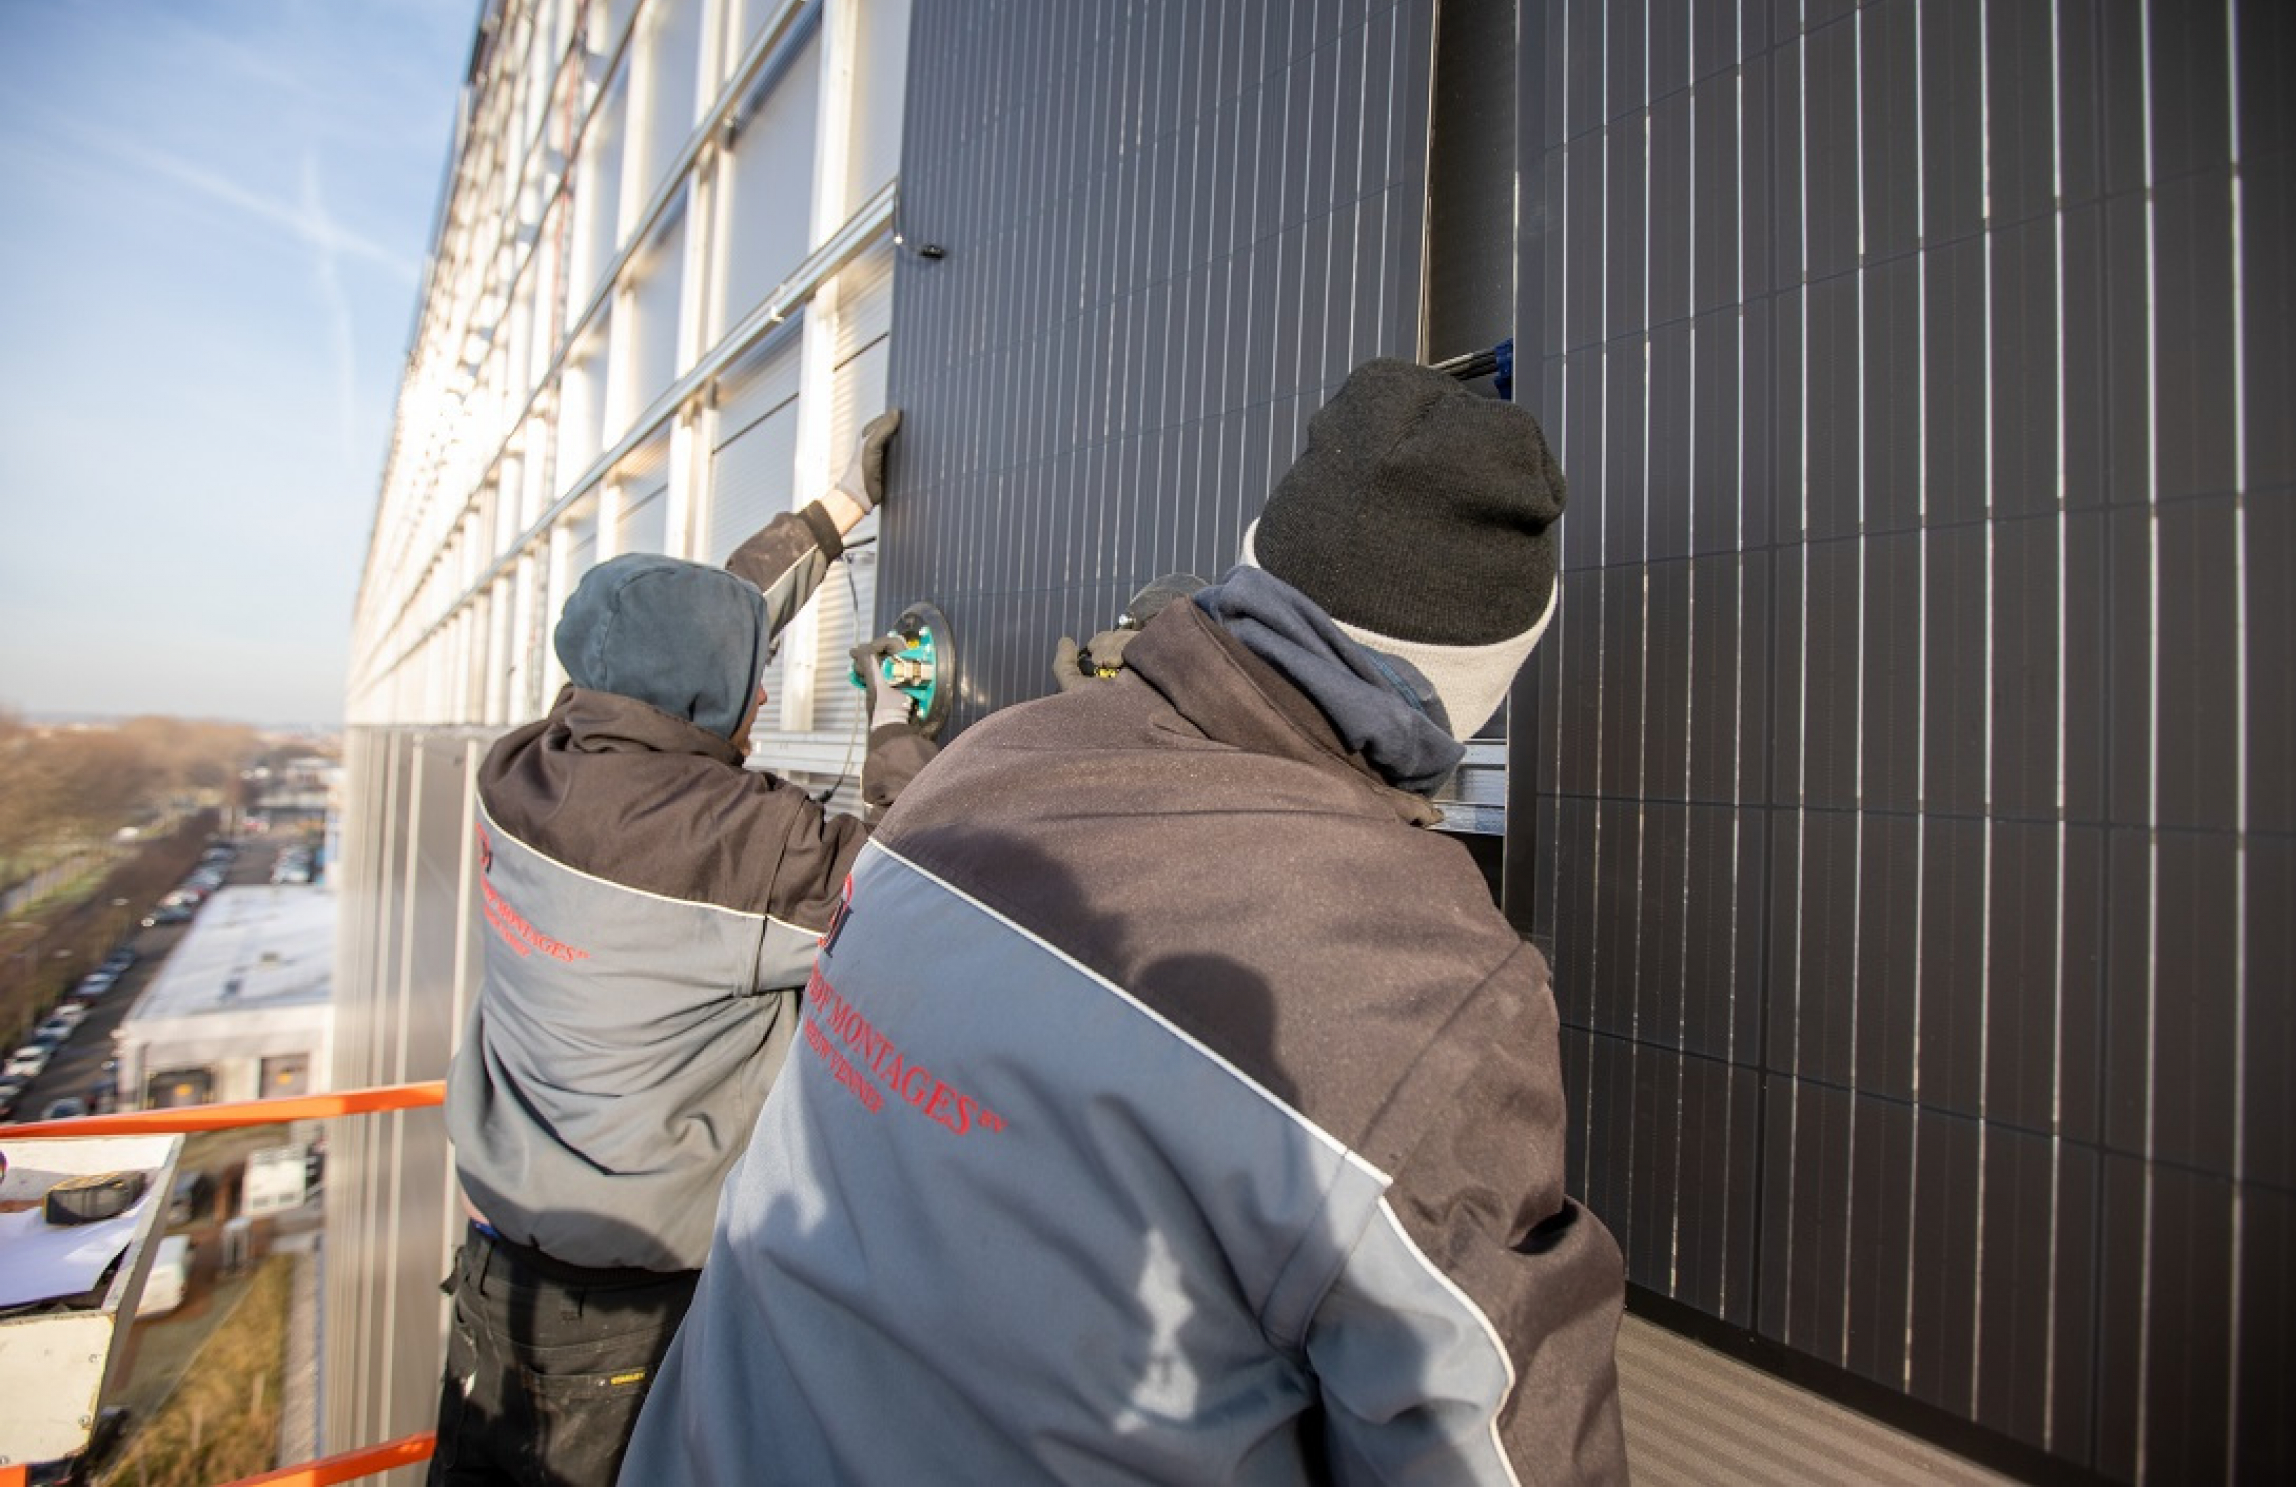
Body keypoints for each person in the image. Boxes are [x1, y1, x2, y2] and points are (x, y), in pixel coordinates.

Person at [621, 359, 1628, 1484]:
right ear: (1483, 679)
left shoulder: (970, 771)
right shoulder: (1434, 988)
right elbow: (1483, 1439)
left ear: (1257, 560)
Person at [427, 411, 940, 1487]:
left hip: (500, 1285)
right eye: (751, 682)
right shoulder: (738, 847)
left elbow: (666, 631)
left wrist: (836, 509)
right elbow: (917, 879)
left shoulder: (525, 766)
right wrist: (897, 722)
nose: (763, 695)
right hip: (630, 1328)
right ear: (709, 696)